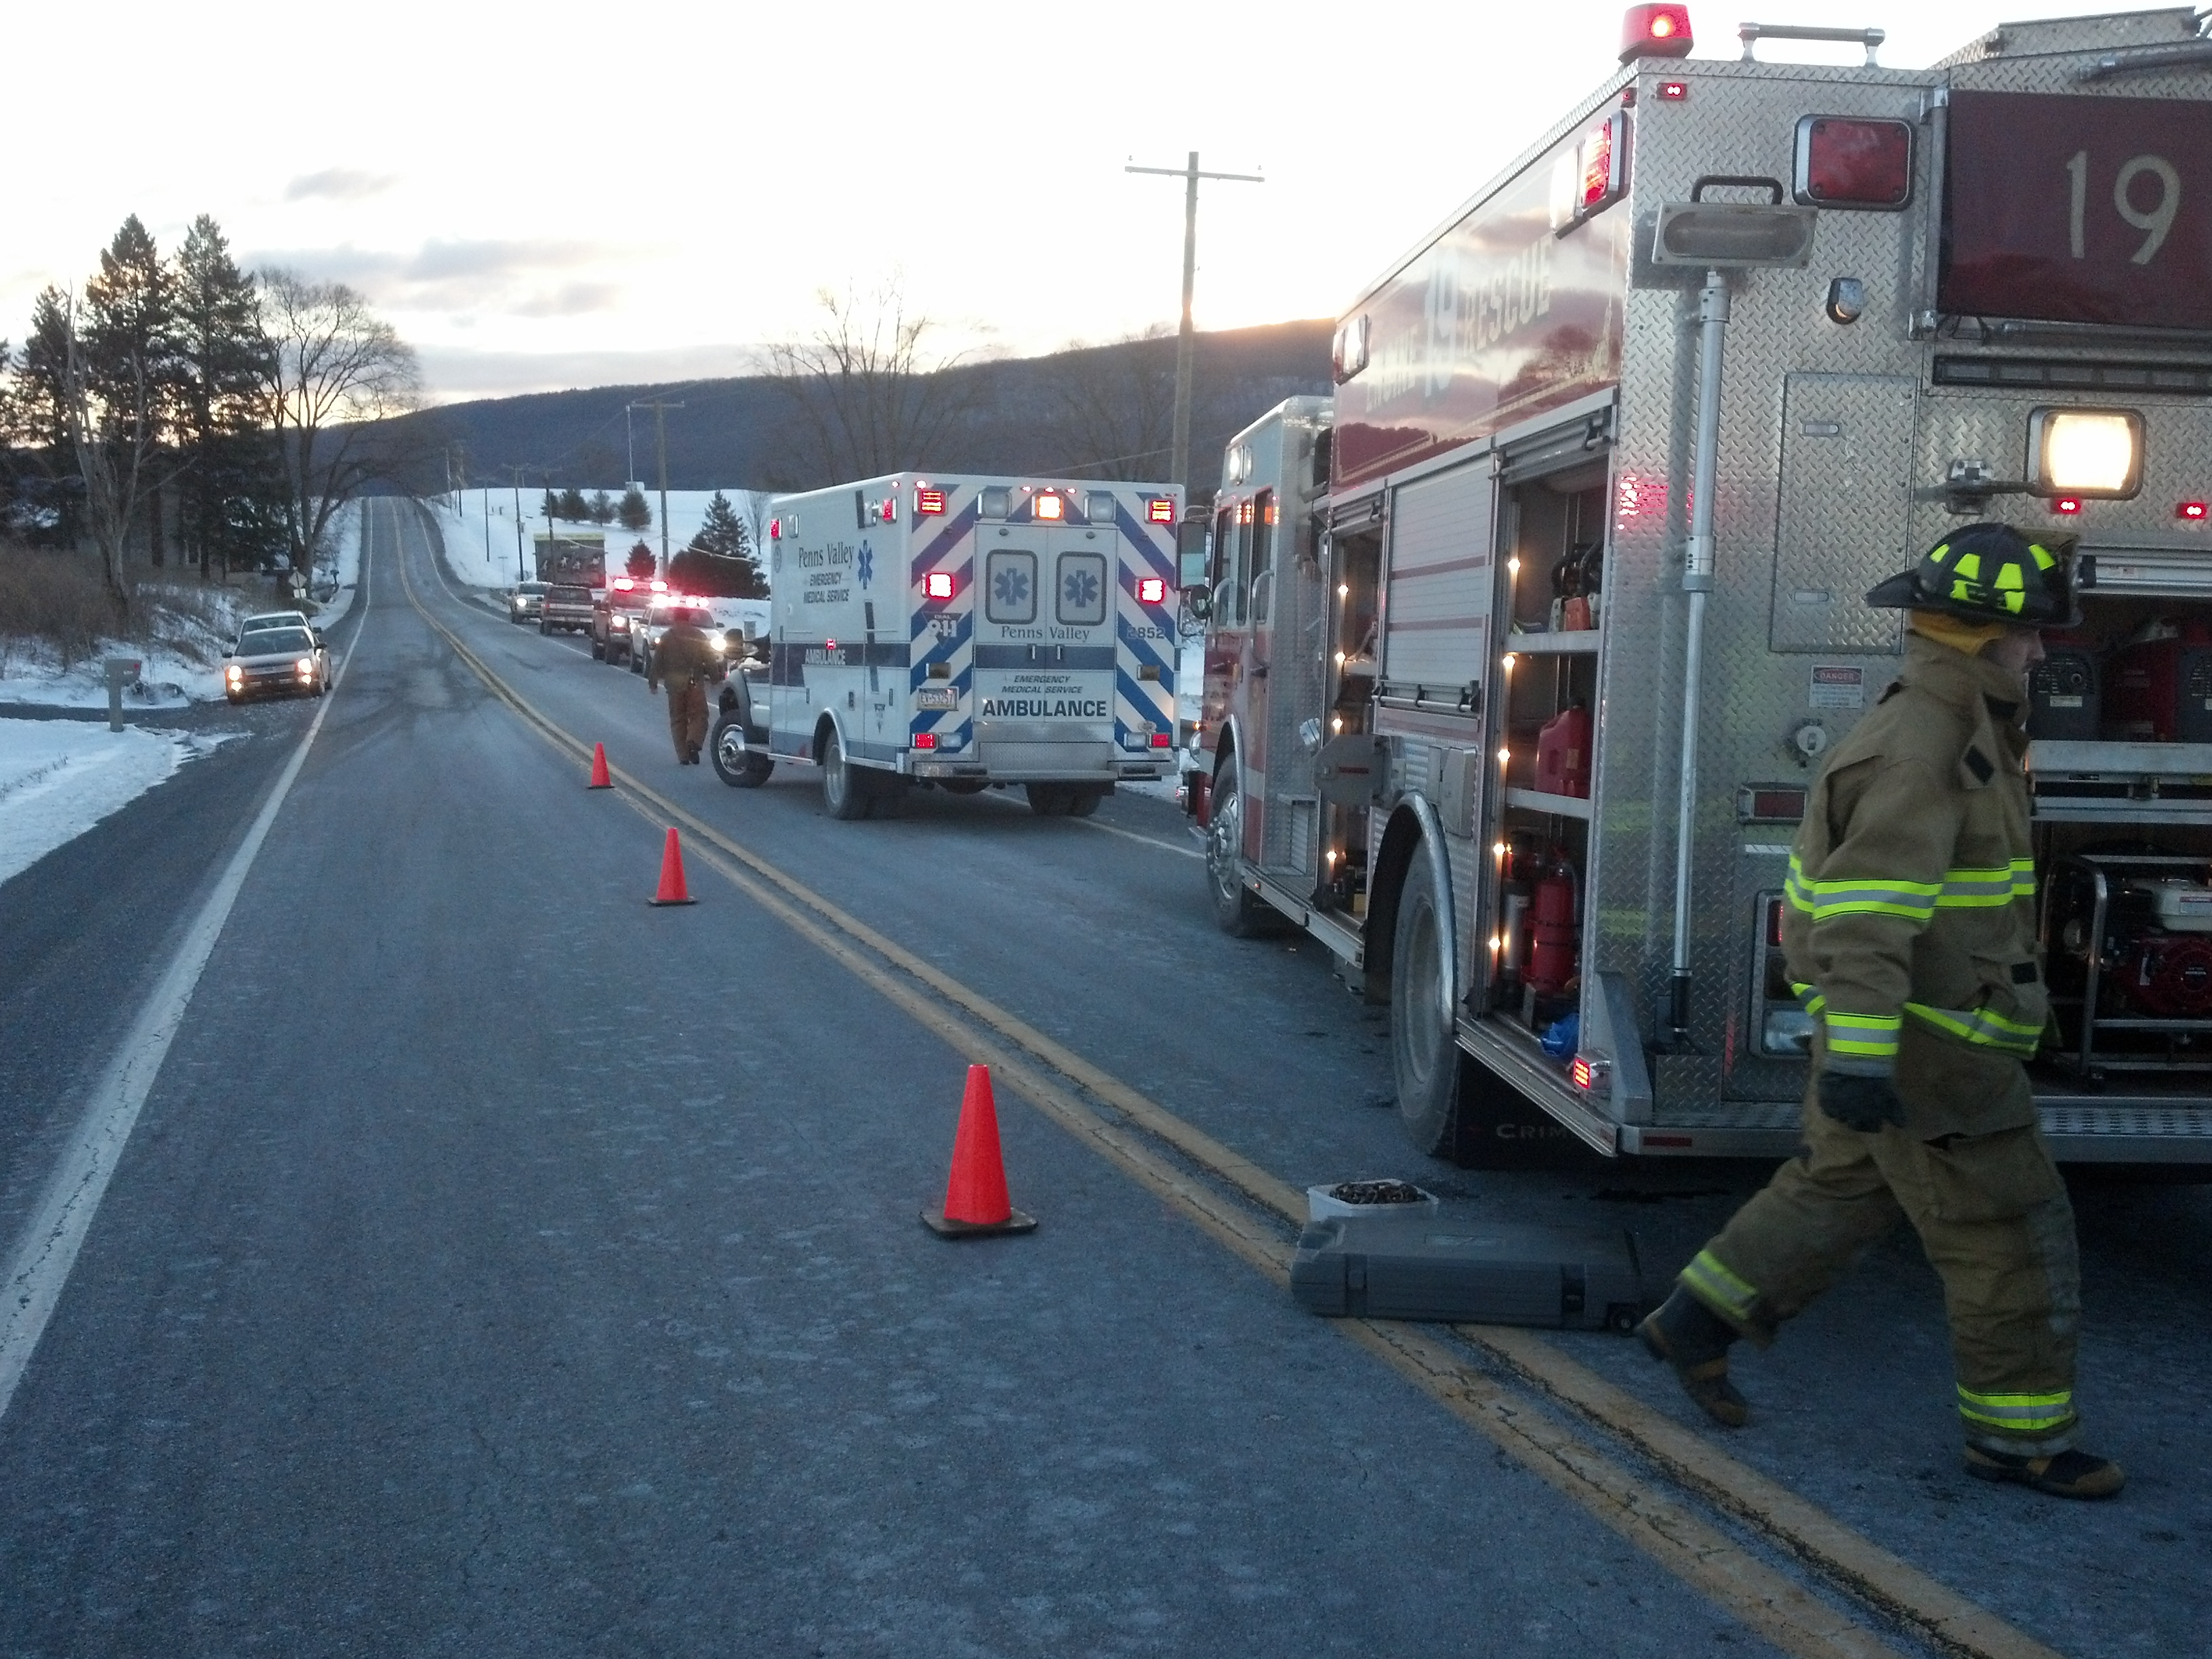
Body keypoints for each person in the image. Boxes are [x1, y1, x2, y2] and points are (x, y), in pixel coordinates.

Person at [1639, 523, 2125, 1502]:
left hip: (1904, 1031)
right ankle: (2018, 1439)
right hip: (1933, 1042)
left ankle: (1695, 1321)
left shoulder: (1957, 725)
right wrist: (1865, 1059)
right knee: (2008, 1228)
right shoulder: (1930, 745)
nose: (2041, 652)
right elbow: (1867, 916)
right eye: (2030, 634)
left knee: (1843, 1187)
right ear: (1984, 636)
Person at [647, 607, 723, 764]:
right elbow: (710, 660)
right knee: (700, 715)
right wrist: (715, 678)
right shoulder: (699, 636)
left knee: (678, 719)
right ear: (689, 619)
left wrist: (653, 682)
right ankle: (693, 740)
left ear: (674, 619)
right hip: (695, 683)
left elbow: (657, 662)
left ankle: (683, 755)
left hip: (674, 685)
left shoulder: (667, 637)